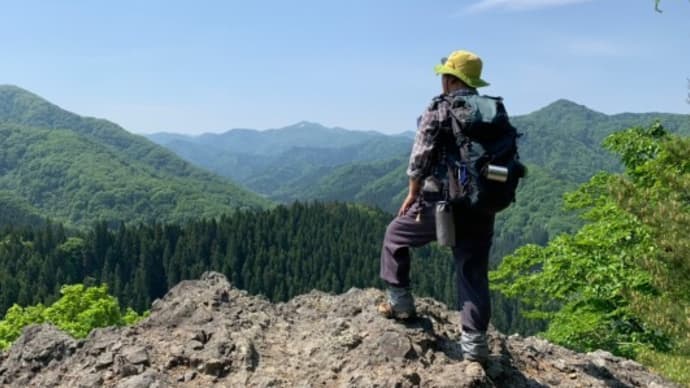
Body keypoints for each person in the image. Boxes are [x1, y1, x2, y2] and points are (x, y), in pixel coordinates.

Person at [378, 50, 497, 363]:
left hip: (440, 201)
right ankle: (475, 347)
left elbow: (420, 156)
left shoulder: (439, 108)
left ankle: (400, 303)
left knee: (395, 236)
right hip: (482, 203)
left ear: (451, 79)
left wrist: (412, 192)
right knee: (472, 271)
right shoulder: (493, 110)